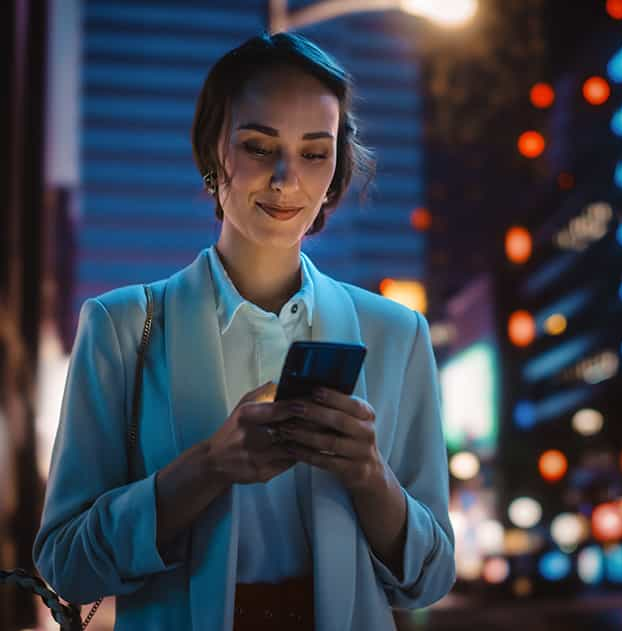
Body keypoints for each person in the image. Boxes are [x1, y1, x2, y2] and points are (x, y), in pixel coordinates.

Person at [33, 32, 455, 631]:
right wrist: (207, 466)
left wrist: (370, 475)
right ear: (213, 151)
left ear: (337, 170)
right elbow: (67, 565)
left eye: (315, 152)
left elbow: (429, 579)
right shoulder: (122, 326)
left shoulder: (396, 334)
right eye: (259, 146)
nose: (286, 179)